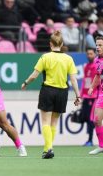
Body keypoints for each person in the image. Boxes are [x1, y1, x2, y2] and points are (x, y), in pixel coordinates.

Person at [22, 30, 80, 159]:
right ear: (62, 43)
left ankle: (49, 148)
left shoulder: (45, 57)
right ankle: (47, 149)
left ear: (50, 44)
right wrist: (78, 95)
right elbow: (73, 79)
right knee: (54, 123)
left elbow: (34, 75)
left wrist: (25, 83)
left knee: (45, 122)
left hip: (48, 90)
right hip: (62, 92)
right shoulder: (68, 58)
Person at [88, 36, 103, 155]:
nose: (98, 47)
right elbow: (98, 76)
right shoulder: (97, 60)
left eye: (100, 45)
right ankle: (101, 146)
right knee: (97, 120)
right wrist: (92, 87)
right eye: (97, 45)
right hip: (102, 94)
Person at [80, 48, 97, 147]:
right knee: (86, 118)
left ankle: (90, 140)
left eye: (91, 54)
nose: (89, 55)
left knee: (92, 119)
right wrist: (81, 95)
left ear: (94, 54)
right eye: (88, 54)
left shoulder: (97, 66)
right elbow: (84, 81)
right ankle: (89, 139)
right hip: (86, 97)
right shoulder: (86, 66)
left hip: (94, 97)